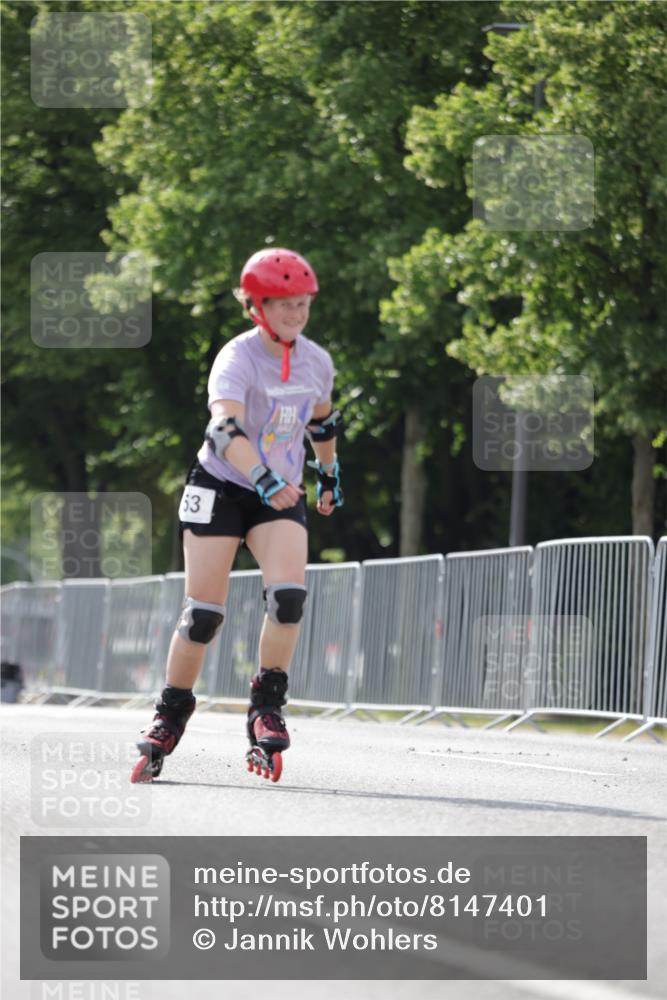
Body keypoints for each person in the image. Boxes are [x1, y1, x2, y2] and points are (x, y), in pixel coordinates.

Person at [131, 248, 343, 783]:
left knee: (289, 599)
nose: (295, 314)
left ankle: (266, 705)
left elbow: (322, 422)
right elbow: (223, 430)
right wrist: (265, 478)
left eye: (303, 304)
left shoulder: (317, 361)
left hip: (280, 493)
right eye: (284, 305)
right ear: (256, 305)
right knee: (203, 613)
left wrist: (329, 475)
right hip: (223, 485)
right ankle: (169, 714)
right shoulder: (238, 357)